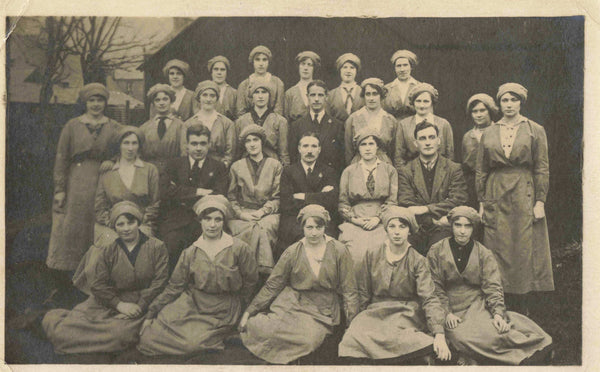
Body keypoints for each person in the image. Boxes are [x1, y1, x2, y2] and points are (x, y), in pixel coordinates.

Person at [427, 206, 553, 365]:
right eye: (458, 225)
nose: (462, 231)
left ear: (473, 228)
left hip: (475, 304)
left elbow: (493, 286)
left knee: (497, 331)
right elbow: (434, 286)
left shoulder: (483, 253)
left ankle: (530, 351)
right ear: (451, 226)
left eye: (467, 226)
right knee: (460, 336)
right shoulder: (436, 251)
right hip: (449, 306)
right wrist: (446, 313)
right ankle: (501, 357)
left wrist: (498, 313)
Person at [43, 201, 169, 355]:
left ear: (138, 222)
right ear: (114, 227)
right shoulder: (109, 249)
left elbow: (160, 282)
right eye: (120, 224)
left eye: (131, 222)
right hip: (107, 301)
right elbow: (98, 284)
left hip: (141, 303)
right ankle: (59, 324)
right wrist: (119, 305)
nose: (126, 228)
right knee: (64, 330)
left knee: (121, 336)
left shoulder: (157, 247)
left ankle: (86, 338)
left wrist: (140, 306)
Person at [137, 195, 258, 356]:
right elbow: (174, 287)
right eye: (207, 219)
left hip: (224, 307)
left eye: (218, 219)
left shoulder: (239, 248)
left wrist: (242, 310)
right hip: (193, 301)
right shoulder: (190, 252)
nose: (212, 225)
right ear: (200, 221)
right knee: (149, 337)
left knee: (191, 344)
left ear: (224, 222)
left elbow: (250, 282)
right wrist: (151, 312)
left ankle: (216, 337)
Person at [239, 204, 358, 365]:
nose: (314, 232)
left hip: (323, 310)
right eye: (309, 227)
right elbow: (273, 285)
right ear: (302, 227)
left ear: (325, 227)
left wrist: (351, 325)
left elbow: (349, 290)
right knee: (261, 328)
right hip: (293, 303)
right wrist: (249, 311)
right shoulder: (292, 251)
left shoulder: (339, 251)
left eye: (318, 227)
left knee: (309, 340)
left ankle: (294, 359)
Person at [476, 83, 553, 315]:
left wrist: (540, 201)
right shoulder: (489, 131)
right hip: (496, 190)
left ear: (521, 102)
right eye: (505, 101)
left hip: (523, 190)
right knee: (497, 243)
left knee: (522, 244)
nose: (509, 105)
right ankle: (499, 300)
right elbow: (481, 169)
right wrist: (481, 201)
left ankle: (523, 301)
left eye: (513, 100)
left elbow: (542, 167)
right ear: (498, 104)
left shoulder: (534, 129)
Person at [339, 206, 451, 364]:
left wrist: (439, 333)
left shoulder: (418, 261)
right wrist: (354, 322)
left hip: (405, 312)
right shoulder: (372, 254)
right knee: (352, 338)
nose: (397, 232)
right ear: (386, 229)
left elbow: (429, 297)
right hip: (375, 310)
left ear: (409, 231)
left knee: (408, 340)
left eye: (402, 226)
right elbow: (363, 293)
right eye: (392, 226)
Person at [47, 83, 122, 301]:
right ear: (85, 103)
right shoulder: (72, 126)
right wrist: (60, 190)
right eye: (92, 101)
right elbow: (61, 157)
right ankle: (67, 281)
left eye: (100, 100)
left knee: (98, 227)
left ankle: (96, 280)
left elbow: (125, 150)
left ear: (105, 103)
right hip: (77, 182)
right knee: (72, 228)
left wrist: (113, 160)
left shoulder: (115, 126)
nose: (96, 104)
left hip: (104, 180)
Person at [159, 124, 229, 271]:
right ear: (187, 145)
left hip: (205, 220)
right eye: (194, 143)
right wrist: (199, 192)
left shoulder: (218, 167)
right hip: (176, 219)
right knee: (171, 246)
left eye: (203, 143)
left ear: (209, 144)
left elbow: (218, 194)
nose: (198, 148)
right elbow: (165, 192)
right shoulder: (173, 165)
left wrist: (181, 192)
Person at [397, 122, 468, 256]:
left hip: (444, 226)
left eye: (431, 137)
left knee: (439, 250)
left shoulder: (453, 169)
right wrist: (432, 220)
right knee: (405, 251)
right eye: (423, 138)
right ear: (416, 143)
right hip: (417, 227)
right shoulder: (406, 171)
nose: (428, 142)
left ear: (438, 141)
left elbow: (458, 199)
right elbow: (406, 202)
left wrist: (427, 209)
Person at [338, 128, 398, 265]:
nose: (367, 148)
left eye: (371, 144)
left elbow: (392, 201)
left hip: (381, 219)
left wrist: (378, 218)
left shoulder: (390, 170)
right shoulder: (349, 171)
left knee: (381, 250)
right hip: (356, 219)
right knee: (355, 253)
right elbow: (343, 203)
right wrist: (354, 220)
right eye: (363, 144)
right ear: (358, 148)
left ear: (377, 146)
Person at [228, 124, 282, 273]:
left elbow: (278, 197)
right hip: (243, 213)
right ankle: (248, 271)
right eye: (248, 141)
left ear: (262, 142)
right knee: (249, 228)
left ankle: (262, 272)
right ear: (244, 145)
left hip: (268, 214)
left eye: (255, 140)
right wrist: (241, 214)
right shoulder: (236, 166)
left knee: (262, 228)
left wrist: (263, 212)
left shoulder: (275, 165)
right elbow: (231, 198)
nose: (252, 144)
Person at [277, 132, 339, 259]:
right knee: (294, 236)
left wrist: (304, 196)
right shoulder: (288, 172)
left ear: (319, 149)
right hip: (295, 218)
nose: (309, 151)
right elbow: (287, 203)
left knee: (328, 237)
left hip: (322, 217)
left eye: (313, 146)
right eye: (305, 146)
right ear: (299, 149)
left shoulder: (329, 172)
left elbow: (331, 202)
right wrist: (319, 196)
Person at [94, 126, 160, 243]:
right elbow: (100, 206)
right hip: (113, 225)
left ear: (139, 146)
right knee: (110, 243)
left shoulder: (150, 170)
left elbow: (155, 203)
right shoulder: (108, 171)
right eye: (126, 143)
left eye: (134, 143)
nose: (130, 148)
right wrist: (113, 223)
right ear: (119, 145)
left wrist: (140, 221)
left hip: (141, 224)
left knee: (141, 243)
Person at [287, 80, 345, 173]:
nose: (316, 99)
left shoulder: (337, 125)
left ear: (326, 97)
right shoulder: (296, 126)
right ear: (307, 97)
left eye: (320, 95)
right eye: (313, 95)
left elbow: (341, 159)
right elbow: (293, 157)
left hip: (329, 178)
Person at [394, 83, 454, 168]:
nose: (422, 105)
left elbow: (450, 155)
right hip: (412, 173)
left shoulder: (444, 124)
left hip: (439, 171)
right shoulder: (404, 125)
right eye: (418, 101)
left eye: (426, 101)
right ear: (413, 103)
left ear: (432, 103)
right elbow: (399, 156)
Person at [234, 80, 289, 166]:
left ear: (270, 96)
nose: (260, 96)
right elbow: (237, 152)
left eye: (264, 92)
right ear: (252, 97)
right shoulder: (241, 121)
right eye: (257, 92)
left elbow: (283, 153)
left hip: (271, 165)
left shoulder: (280, 121)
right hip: (247, 165)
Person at [344, 78, 398, 165]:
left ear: (381, 96)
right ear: (363, 96)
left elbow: (394, 151)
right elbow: (348, 150)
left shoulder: (390, 120)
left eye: (375, 94)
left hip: (384, 164)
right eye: (368, 94)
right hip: (359, 165)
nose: (371, 98)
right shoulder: (353, 118)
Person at [183, 80, 236, 168]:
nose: (208, 99)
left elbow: (230, 152)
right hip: (195, 169)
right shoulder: (188, 124)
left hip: (219, 169)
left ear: (216, 98)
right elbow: (185, 151)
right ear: (199, 98)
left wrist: (221, 167)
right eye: (205, 95)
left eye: (212, 96)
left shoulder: (227, 124)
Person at [139, 84, 186, 175]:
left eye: (165, 99)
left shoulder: (181, 126)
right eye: (157, 100)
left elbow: (184, 153)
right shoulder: (144, 127)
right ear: (153, 103)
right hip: (150, 172)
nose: (161, 103)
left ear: (171, 101)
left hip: (173, 172)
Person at [462, 93, 498, 209]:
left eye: (482, 110)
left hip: (495, 184)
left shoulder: (500, 132)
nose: (478, 115)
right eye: (474, 111)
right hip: (473, 187)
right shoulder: (468, 137)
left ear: (490, 111)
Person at [236, 45, 285, 117]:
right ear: (252, 62)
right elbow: (240, 111)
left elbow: (279, 110)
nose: (261, 63)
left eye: (264, 60)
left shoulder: (277, 83)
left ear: (268, 62)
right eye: (257, 59)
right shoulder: (244, 84)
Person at [382, 50, 421, 120]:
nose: (402, 69)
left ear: (411, 67)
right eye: (398, 66)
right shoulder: (386, 89)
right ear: (395, 68)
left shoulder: (420, 87)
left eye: (405, 65)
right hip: (393, 128)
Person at [326, 53, 365, 122]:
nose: (348, 71)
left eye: (352, 68)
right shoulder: (331, 95)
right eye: (345, 67)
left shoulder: (364, 92)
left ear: (356, 71)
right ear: (340, 70)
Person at [284, 51, 320, 123]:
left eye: (309, 65)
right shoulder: (290, 93)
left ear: (314, 68)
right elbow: (286, 119)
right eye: (303, 64)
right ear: (299, 66)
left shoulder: (321, 90)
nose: (305, 68)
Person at [208, 55, 238, 121]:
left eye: (222, 70)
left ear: (227, 72)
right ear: (211, 72)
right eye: (216, 69)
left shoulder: (234, 93)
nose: (219, 73)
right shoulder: (204, 91)